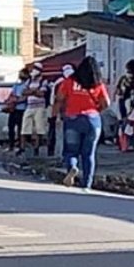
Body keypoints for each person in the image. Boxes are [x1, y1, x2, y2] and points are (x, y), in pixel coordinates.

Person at [53, 55, 110, 191]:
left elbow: (59, 98)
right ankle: (87, 185)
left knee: (71, 151)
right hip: (92, 120)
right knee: (89, 154)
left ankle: (72, 167)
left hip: (73, 119)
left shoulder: (69, 81)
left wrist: (58, 115)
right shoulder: (98, 84)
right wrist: (96, 110)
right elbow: (106, 103)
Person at [19, 64, 50, 157]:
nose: (32, 71)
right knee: (24, 128)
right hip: (29, 107)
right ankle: (22, 148)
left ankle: (36, 148)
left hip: (40, 107)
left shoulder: (44, 81)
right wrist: (34, 91)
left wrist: (31, 91)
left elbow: (42, 94)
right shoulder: (29, 81)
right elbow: (23, 92)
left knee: (39, 129)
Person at [47, 63, 74, 156]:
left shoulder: (61, 82)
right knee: (59, 134)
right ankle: (58, 153)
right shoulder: (59, 83)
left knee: (62, 134)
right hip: (61, 111)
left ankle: (61, 153)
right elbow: (55, 99)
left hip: (66, 111)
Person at [5, 68, 28, 152]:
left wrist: (16, 100)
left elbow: (25, 98)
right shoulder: (16, 85)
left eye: (21, 74)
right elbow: (12, 94)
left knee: (20, 129)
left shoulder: (26, 85)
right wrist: (10, 101)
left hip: (22, 109)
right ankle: (11, 145)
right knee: (11, 127)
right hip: (14, 109)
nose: (20, 76)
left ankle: (20, 145)